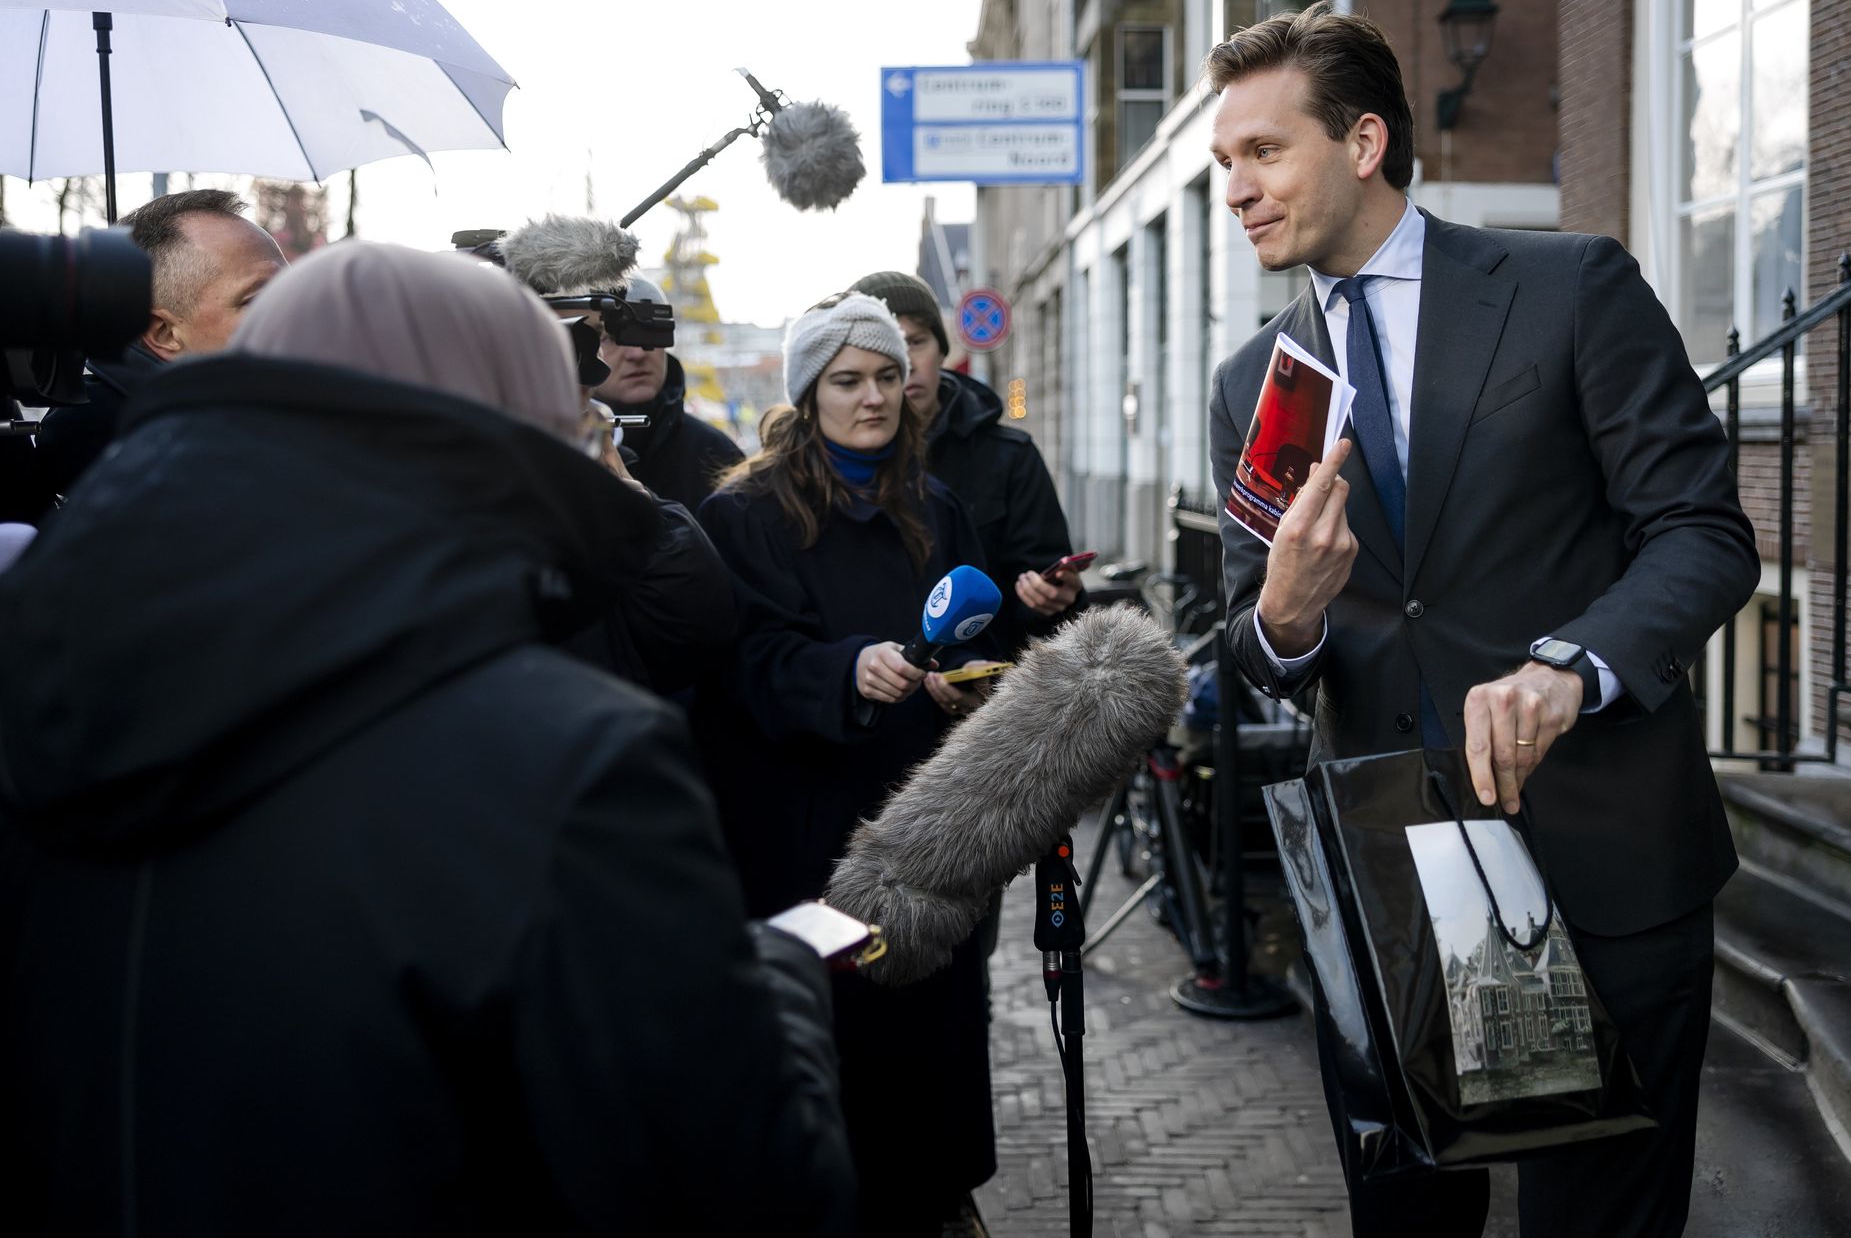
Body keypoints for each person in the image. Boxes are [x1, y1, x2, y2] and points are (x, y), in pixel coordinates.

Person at [0, 243, 855, 1236]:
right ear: (528, 424)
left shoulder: (39, 668)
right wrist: (777, 990)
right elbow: (760, 1194)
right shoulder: (572, 762)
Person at [1205, 3, 1758, 1238]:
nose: (1236, 189)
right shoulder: (1253, 385)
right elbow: (1251, 643)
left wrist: (1572, 670)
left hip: (1601, 857)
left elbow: (1703, 534)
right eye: (1222, 164)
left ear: (1362, 142)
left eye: (1263, 153)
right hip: (1391, 888)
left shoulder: (1571, 290)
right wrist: (1287, 616)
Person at [694, 291, 997, 1238]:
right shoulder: (746, 514)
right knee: (837, 1038)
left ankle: (935, 1198)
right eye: (848, 381)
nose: (875, 398)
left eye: (887, 378)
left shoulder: (935, 504)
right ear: (808, 393)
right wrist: (845, 671)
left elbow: (976, 633)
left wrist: (961, 682)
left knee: (931, 1026)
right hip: (806, 826)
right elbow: (739, 661)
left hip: (925, 823)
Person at [852, 270, 1082, 655]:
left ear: (942, 350)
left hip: (986, 694)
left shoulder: (1010, 456)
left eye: (916, 341)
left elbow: (1052, 607)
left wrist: (1056, 597)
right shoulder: (829, 467)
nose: (903, 362)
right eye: (885, 345)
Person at [28, 188, 286, 510]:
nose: (296, 309)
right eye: (258, 299)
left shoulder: (267, 407)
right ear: (165, 334)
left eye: (292, 288)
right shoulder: (100, 441)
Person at [501, 213, 744, 509]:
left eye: (648, 333)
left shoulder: (715, 453)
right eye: (607, 337)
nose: (637, 353)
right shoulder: (534, 451)